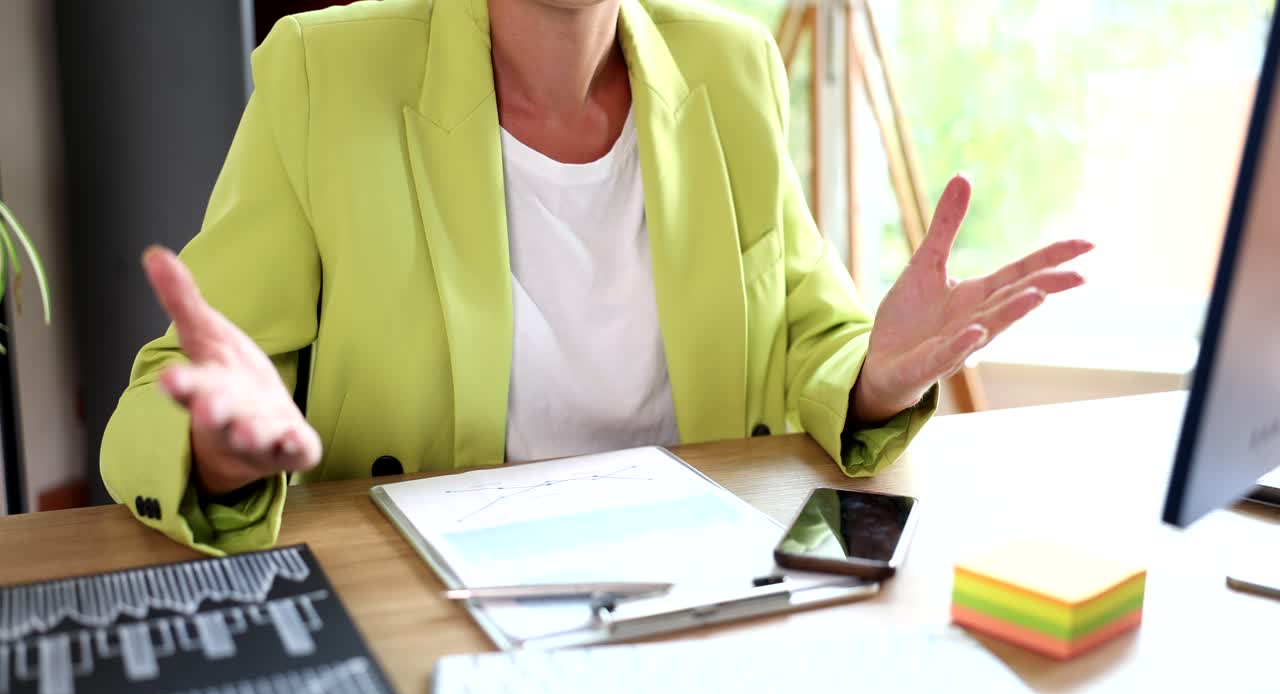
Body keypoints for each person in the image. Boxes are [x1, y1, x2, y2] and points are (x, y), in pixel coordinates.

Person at [101, 0, 1091, 555]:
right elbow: (171, 392)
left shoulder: (731, 64)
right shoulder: (325, 71)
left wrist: (876, 373)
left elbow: (808, 338)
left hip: (702, 582)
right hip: (430, 596)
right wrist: (217, 445)